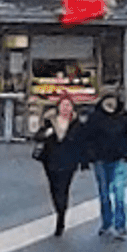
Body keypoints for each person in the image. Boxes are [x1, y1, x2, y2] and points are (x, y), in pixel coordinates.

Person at [84, 89, 127, 240]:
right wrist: (91, 156)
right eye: (108, 99)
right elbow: (88, 137)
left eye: (113, 99)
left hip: (119, 160)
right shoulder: (95, 117)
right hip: (100, 160)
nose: (111, 103)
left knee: (119, 192)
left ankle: (120, 226)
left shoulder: (124, 116)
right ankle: (107, 223)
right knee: (104, 193)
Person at [34, 94, 85, 236]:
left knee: (64, 189)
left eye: (68, 105)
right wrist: (48, 132)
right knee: (54, 189)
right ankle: (59, 209)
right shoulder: (50, 121)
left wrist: (84, 158)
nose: (66, 108)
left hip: (69, 162)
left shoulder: (77, 124)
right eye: (63, 105)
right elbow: (37, 136)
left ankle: (60, 218)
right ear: (58, 107)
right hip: (51, 160)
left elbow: (82, 142)